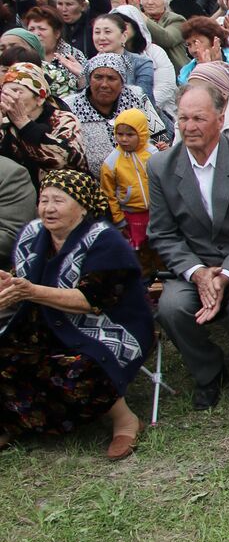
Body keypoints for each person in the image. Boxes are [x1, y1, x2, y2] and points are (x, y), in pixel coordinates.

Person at [0, 170, 151, 459]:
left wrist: (30, 291)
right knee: (6, 354)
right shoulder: (33, 235)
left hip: (108, 324)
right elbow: (23, 278)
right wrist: (9, 283)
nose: (49, 208)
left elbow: (89, 301)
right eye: (44, 200)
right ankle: (12, 422)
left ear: (82, 206)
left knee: (83, 367)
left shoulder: (104, 241)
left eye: (59, 200)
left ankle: (125, 420)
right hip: (44, 320)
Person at [146, 82, 229, 409]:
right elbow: (162, 232)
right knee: (171, 309)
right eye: (183, 118)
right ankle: (208, 373)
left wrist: (226, 274)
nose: (189, 127)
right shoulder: (161, 166)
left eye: (199, 119)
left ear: (220, 118)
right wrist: (199, 273)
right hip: (193, 264)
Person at [67, 55, 168, 178]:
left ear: (122, 82)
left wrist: (161, 148)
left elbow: (161, 138)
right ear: (89, 79)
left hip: (142, 179)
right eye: (98, 77)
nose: (104, 84)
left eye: (111, 78)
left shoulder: (138, 97)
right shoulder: (71, 107)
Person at [0, 62, 87, 186]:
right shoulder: (5, 123)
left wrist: (23, 123)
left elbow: (65, 161)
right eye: (5, 93)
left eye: (16, 91)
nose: (9, 98)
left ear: (39, 98)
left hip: (59, 192)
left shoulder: (63, 120)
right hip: (15, 194)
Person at [99, 108, 156, 252]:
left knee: (156, 247)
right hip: (130, 215)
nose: (124, 139)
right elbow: (108, 194)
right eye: (120, 134)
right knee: (137, 250)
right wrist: (118, 219)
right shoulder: (111, 162)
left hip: (156, 212)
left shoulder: (153, 154)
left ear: (142, 133)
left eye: (130, 134)